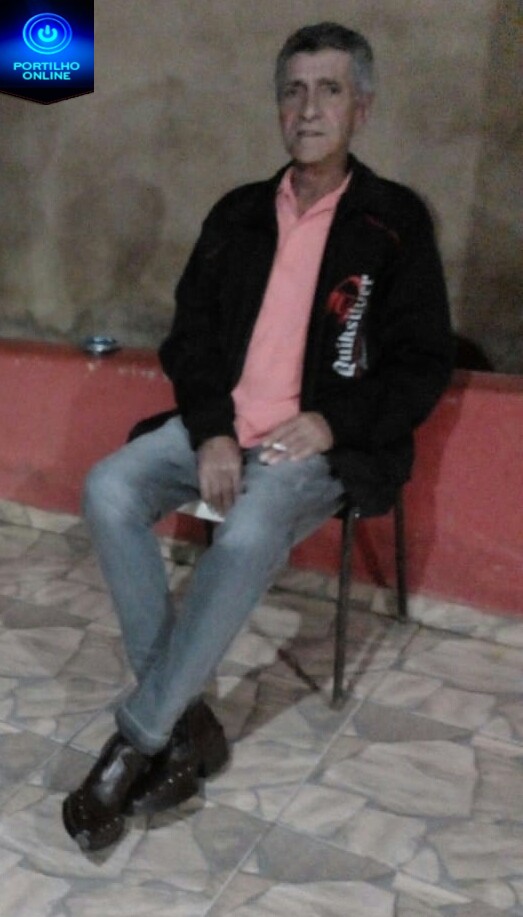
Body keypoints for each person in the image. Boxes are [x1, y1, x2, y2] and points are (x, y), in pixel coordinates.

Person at [63, 22, 453, 851]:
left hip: (318, 445)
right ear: (278, 106)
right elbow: (190, 339)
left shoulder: (392, 222)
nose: (308, 109)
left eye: (329, 90)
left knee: (243, 537)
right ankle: (185, 718)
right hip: (221, 424)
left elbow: (422, 361)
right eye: (293, 91)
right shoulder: (238, 213)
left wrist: (332, 419)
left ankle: (138, 737)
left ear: (361, 108)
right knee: (109, 487)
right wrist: (210, 432)